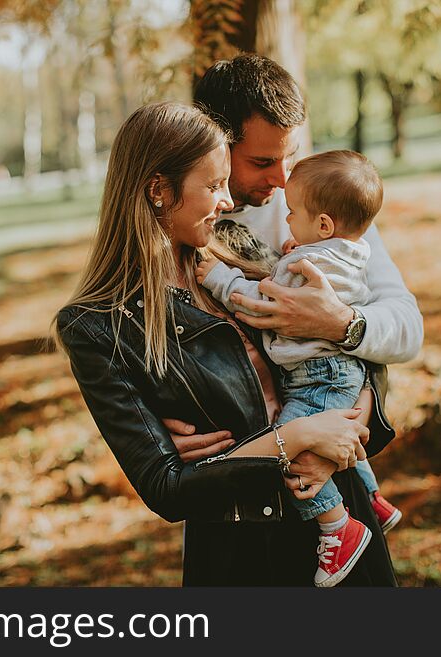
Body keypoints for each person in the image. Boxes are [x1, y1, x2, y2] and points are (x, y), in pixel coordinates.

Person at [55, 101, 399, 586]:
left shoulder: (242, 251)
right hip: (247, 551)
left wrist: (351, 417)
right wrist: (295, 438)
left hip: (344, 518)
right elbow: (167, 486)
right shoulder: (100, 326)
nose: (227, 200)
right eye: (213, 186)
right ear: (158, 190)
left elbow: (350, 353)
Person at [165, 53, 421, 528]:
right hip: (235, 511)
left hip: (334, 480)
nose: (282, 180)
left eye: (290, 155)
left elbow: (406, 328)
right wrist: (159, 434)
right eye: (262, 162)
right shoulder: (179, 224)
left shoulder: (322, 206)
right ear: (215, 143)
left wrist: (340, 324)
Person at [197, 149, 400, 586]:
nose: (286, 219)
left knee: (292, 454)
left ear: (323, 225)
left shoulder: (301, 262)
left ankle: (337, 528)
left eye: (293, 213)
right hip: (347, 372)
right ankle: (373, 497)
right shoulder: (348, 251)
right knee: (337, 432)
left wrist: (216, 275)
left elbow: (259, 302)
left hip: (318, 378)